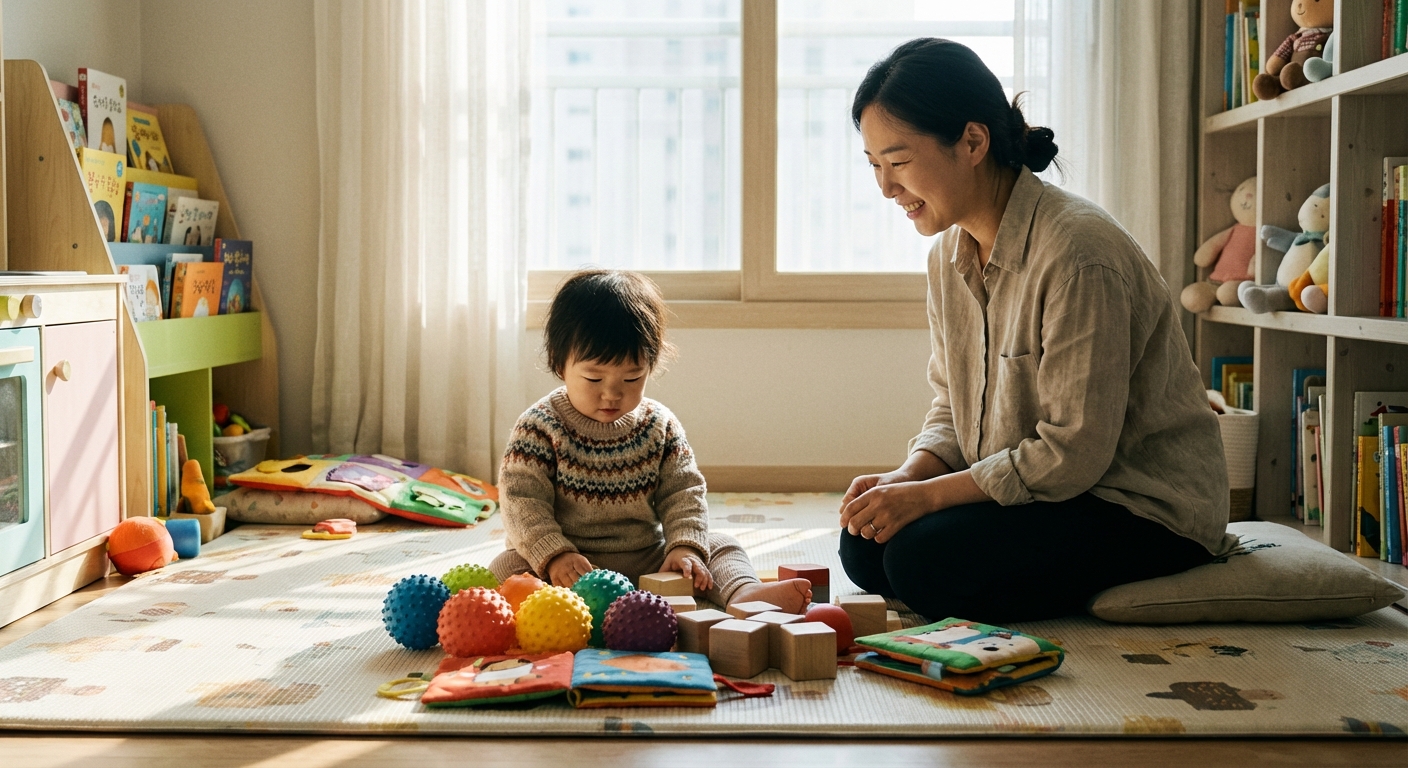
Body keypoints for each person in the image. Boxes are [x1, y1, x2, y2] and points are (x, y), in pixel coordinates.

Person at [838, 38, 1237, 624]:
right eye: (875, 166)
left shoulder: (1078, 253)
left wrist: (926, 500)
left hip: (1136, 505)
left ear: (972, 141)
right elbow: (952, 404)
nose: (886, 189)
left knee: (922, 561)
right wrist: (908, 478)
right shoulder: (948, 255)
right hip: (1048, 495)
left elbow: (1072, 453)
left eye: (898, 162)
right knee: (866, 544)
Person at [490, 269, 811, 612]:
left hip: (646, 558)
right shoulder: (539, 427)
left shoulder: (659, 426)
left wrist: (684, 546)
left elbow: (684, 492)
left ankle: (743, 594)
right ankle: (560, 609)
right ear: (559, 363)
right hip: (571, 563)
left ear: (651, 365)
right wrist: (554, 553)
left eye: (632, 377)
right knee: (505, 568)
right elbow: (521, 503)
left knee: (721, 546)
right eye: (594, 377)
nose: (611, 393)